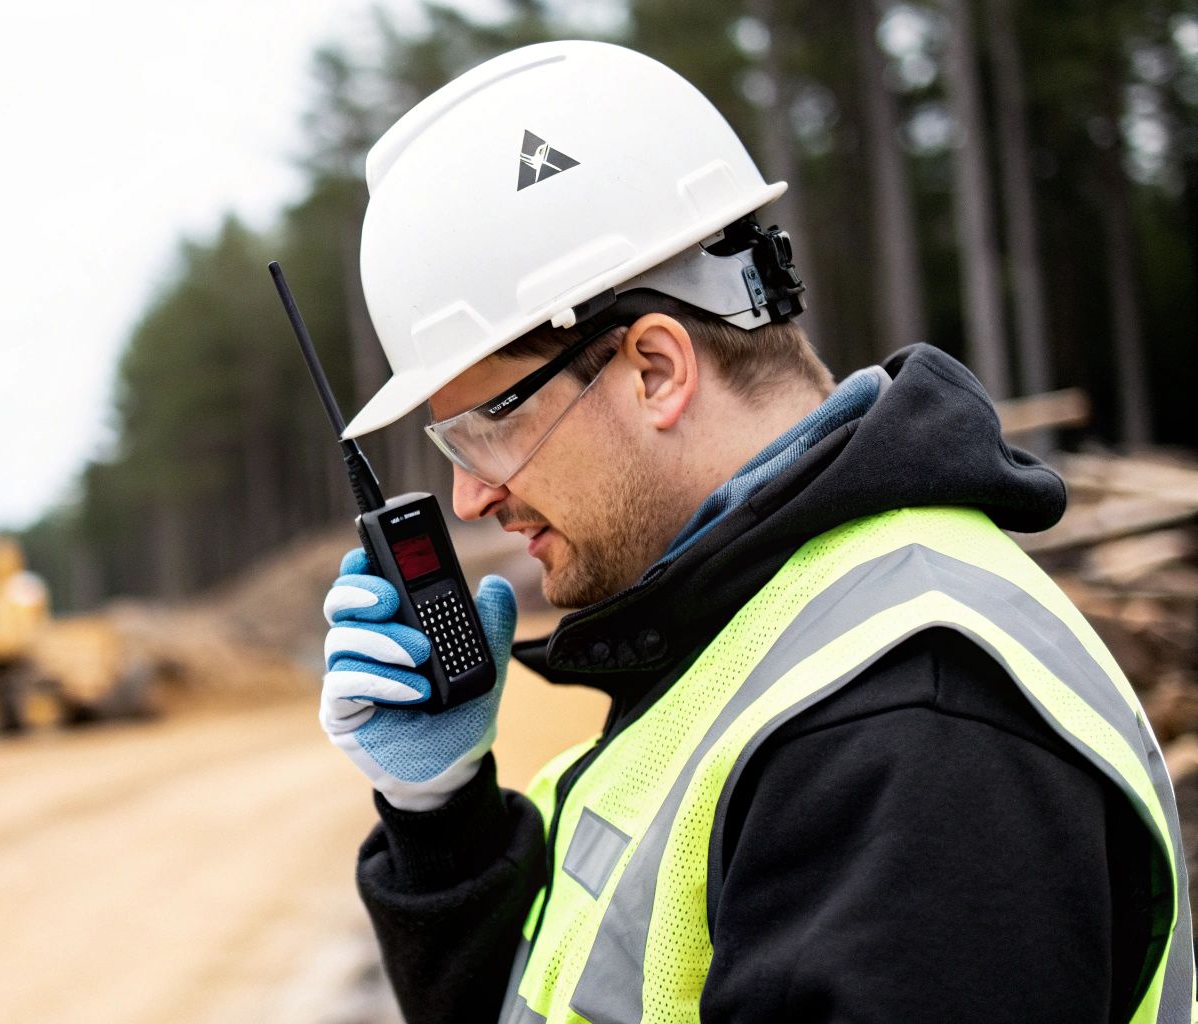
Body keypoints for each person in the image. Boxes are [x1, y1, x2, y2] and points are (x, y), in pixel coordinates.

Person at [317, 40, 1194, 1024]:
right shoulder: (750, 639)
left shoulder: (908, 729)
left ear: (654, 368)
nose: (470, 498)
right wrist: (442, 819)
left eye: (481, 429)